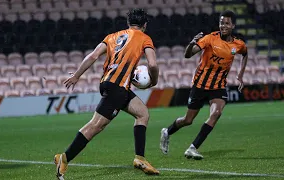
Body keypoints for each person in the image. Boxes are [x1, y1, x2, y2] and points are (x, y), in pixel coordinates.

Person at [54, 8, 159, 179]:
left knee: (143, 114)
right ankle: (64, 158)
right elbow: (153, 65)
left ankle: (140, 159)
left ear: (128, 23)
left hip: (110, 84)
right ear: (145, 25)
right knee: (96, 126)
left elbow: (93, 56)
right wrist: (153, 81)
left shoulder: (112, 36)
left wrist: (76, 76)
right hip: (117, 87)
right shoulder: (145, 38)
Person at [160, 10, 248, 160]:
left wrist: (240, 75)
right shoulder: (210, 39)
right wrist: (191, 43)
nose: (223, 26)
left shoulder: (238, 44)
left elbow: (245, 54)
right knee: (188, 120)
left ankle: (193, 148)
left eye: (226, 23)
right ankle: (167, 132)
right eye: (221, 22)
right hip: (200, 85)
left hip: (218, 87)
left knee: (216, 113)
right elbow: (188, 55)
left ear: (233, 25)